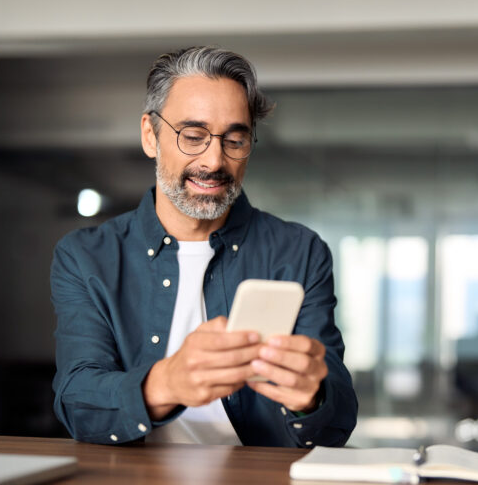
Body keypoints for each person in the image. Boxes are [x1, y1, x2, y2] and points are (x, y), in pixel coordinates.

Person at [51, 46, 358, 447]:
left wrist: (312, 398)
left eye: (235, 139)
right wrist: (166, 383)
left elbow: (338, 421)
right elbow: (77, 400)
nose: (214, 160)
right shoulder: (85, 257)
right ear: (150, 135)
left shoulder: (299, 252)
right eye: (193, 136)